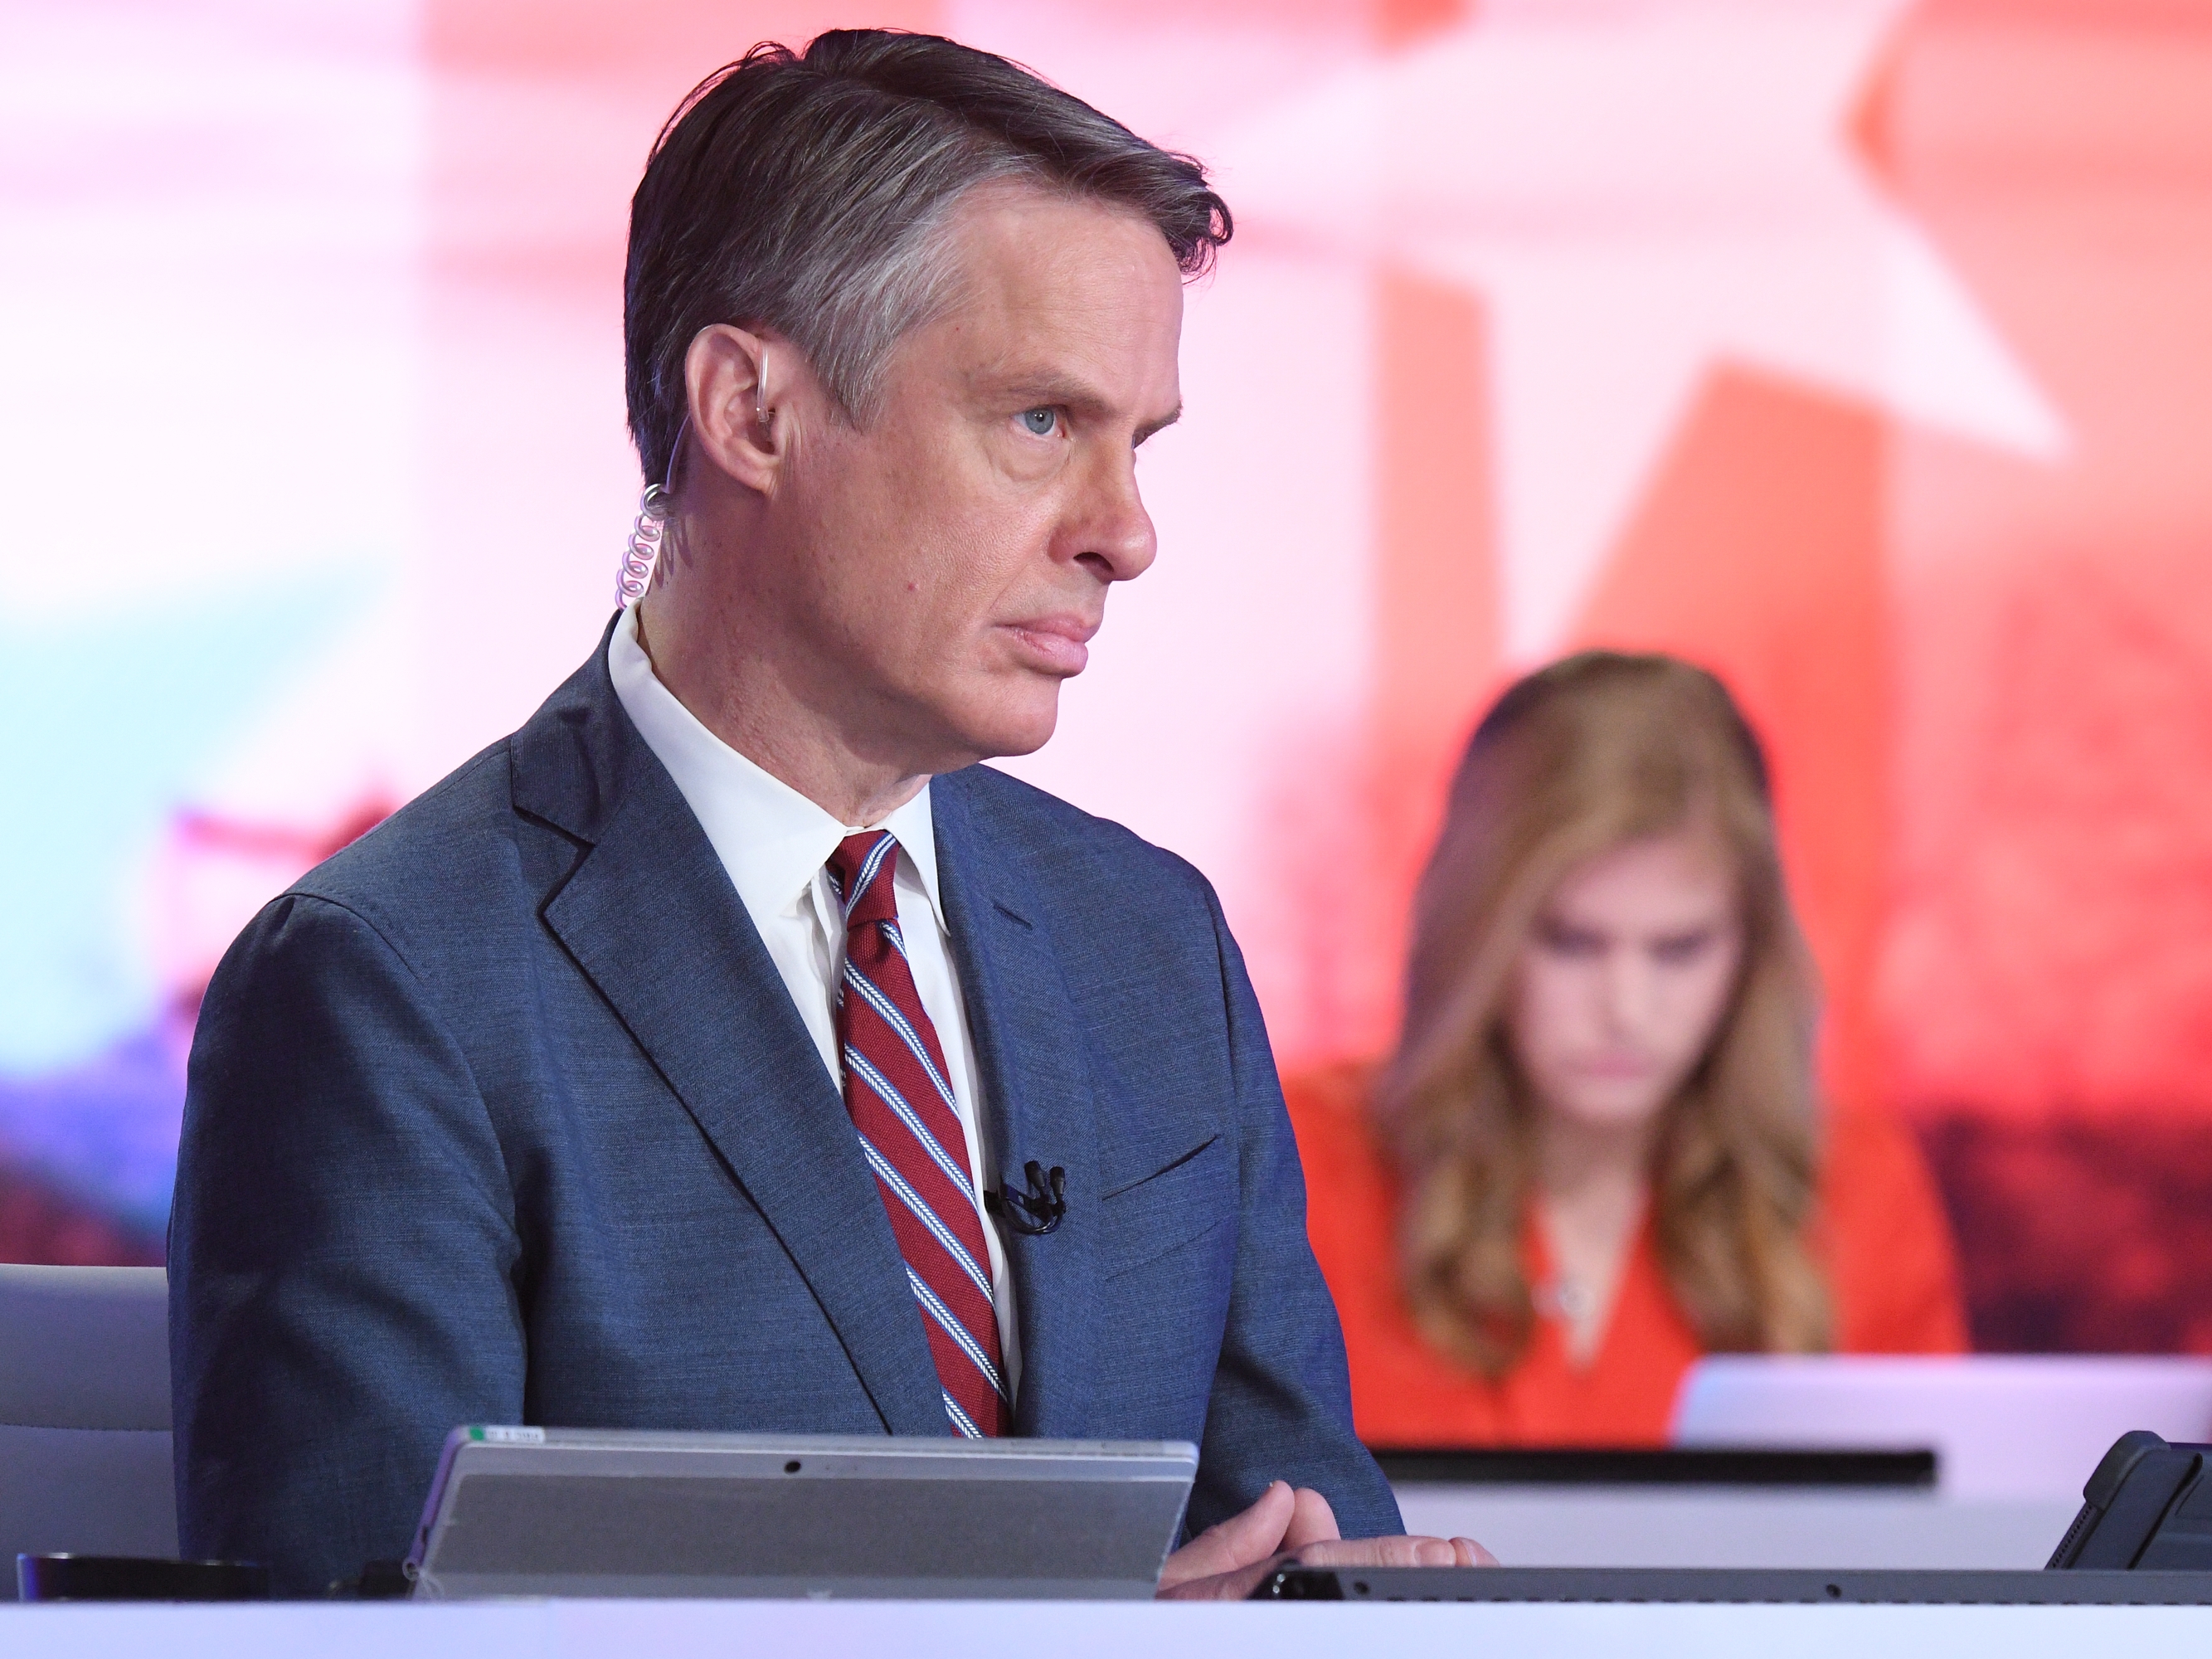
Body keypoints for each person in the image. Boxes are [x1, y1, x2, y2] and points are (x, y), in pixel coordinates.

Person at [168, 31, 1487, 1598]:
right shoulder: (388, 986)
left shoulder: (1150, 947)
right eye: (1041, 423)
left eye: (1137, 446)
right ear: (750, 412)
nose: (1126, 535)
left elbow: (1315, 1555)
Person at [1286, 652, 1967, 1446]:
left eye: (1679, 950)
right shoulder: (1300, 1167)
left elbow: (1937, 1511)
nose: (1626, 1009)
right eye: (1572, 943)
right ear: (1477, 935)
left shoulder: (1858, 1193)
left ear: (1750, 952)